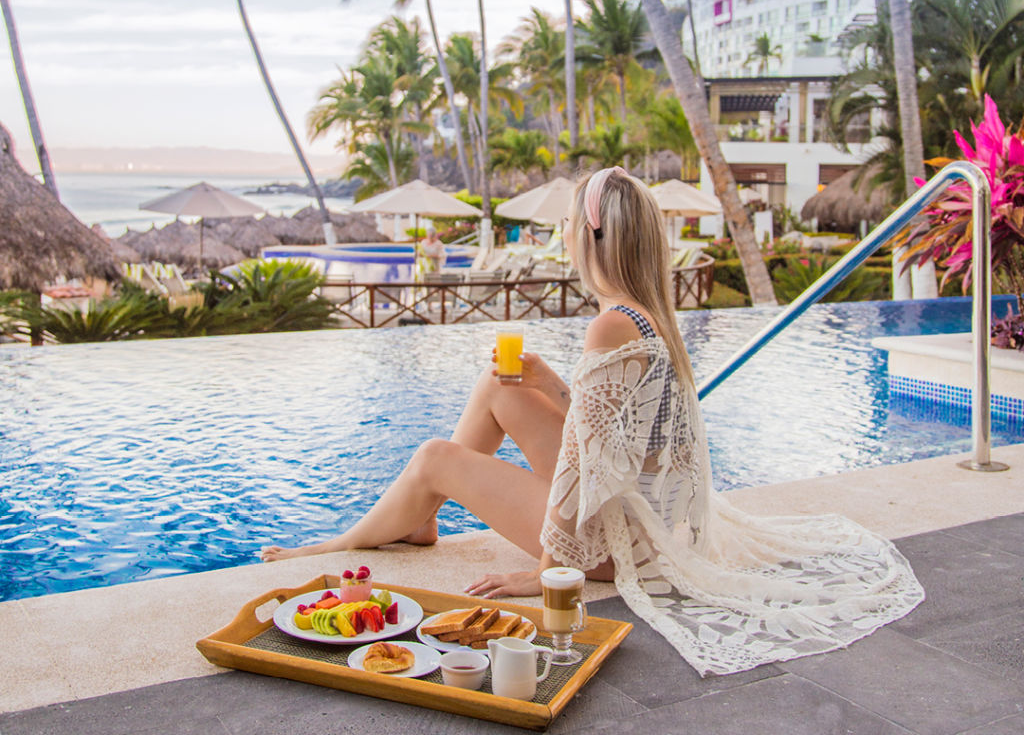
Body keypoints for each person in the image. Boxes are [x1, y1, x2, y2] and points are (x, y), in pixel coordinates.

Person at [261, 167, 923, 675]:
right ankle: (423, 516)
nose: (566, 239)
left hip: (614, 544)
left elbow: (586, 467)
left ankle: (344, 541)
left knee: (436, 456)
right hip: (645, 515)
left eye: (571, 229)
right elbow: (616, 440)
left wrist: (550, 570)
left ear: (593, 237)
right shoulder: (645, 315)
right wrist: (549, 381)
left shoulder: (611, 326)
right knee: (501, 379)